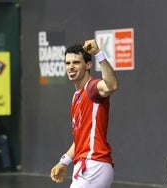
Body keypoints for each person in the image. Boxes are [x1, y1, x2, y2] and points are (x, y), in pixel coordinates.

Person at [50, 39, 118, 187]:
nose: (71, 67)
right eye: (67, 63)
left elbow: (111, 85)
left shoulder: (92, 88)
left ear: (88, 65)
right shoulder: (76, 96)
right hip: (87, 165)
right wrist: (64, 162)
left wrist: (98, 54)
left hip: (94, 163)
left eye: (76, 63)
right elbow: (81, 140)